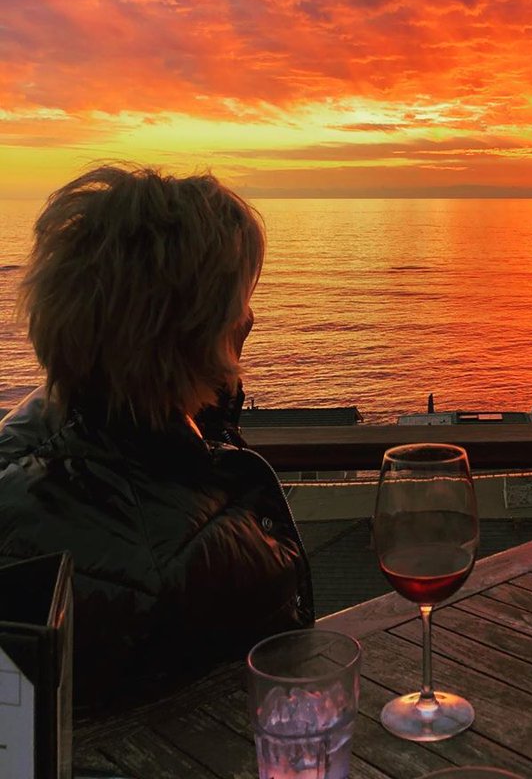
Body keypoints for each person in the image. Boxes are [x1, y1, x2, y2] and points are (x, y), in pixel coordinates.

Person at [0, 165, 314, 708]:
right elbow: (270, 711)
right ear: (199, 336)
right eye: (236, 303)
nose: (250, 317)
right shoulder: (203, 567)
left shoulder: (23, 435)